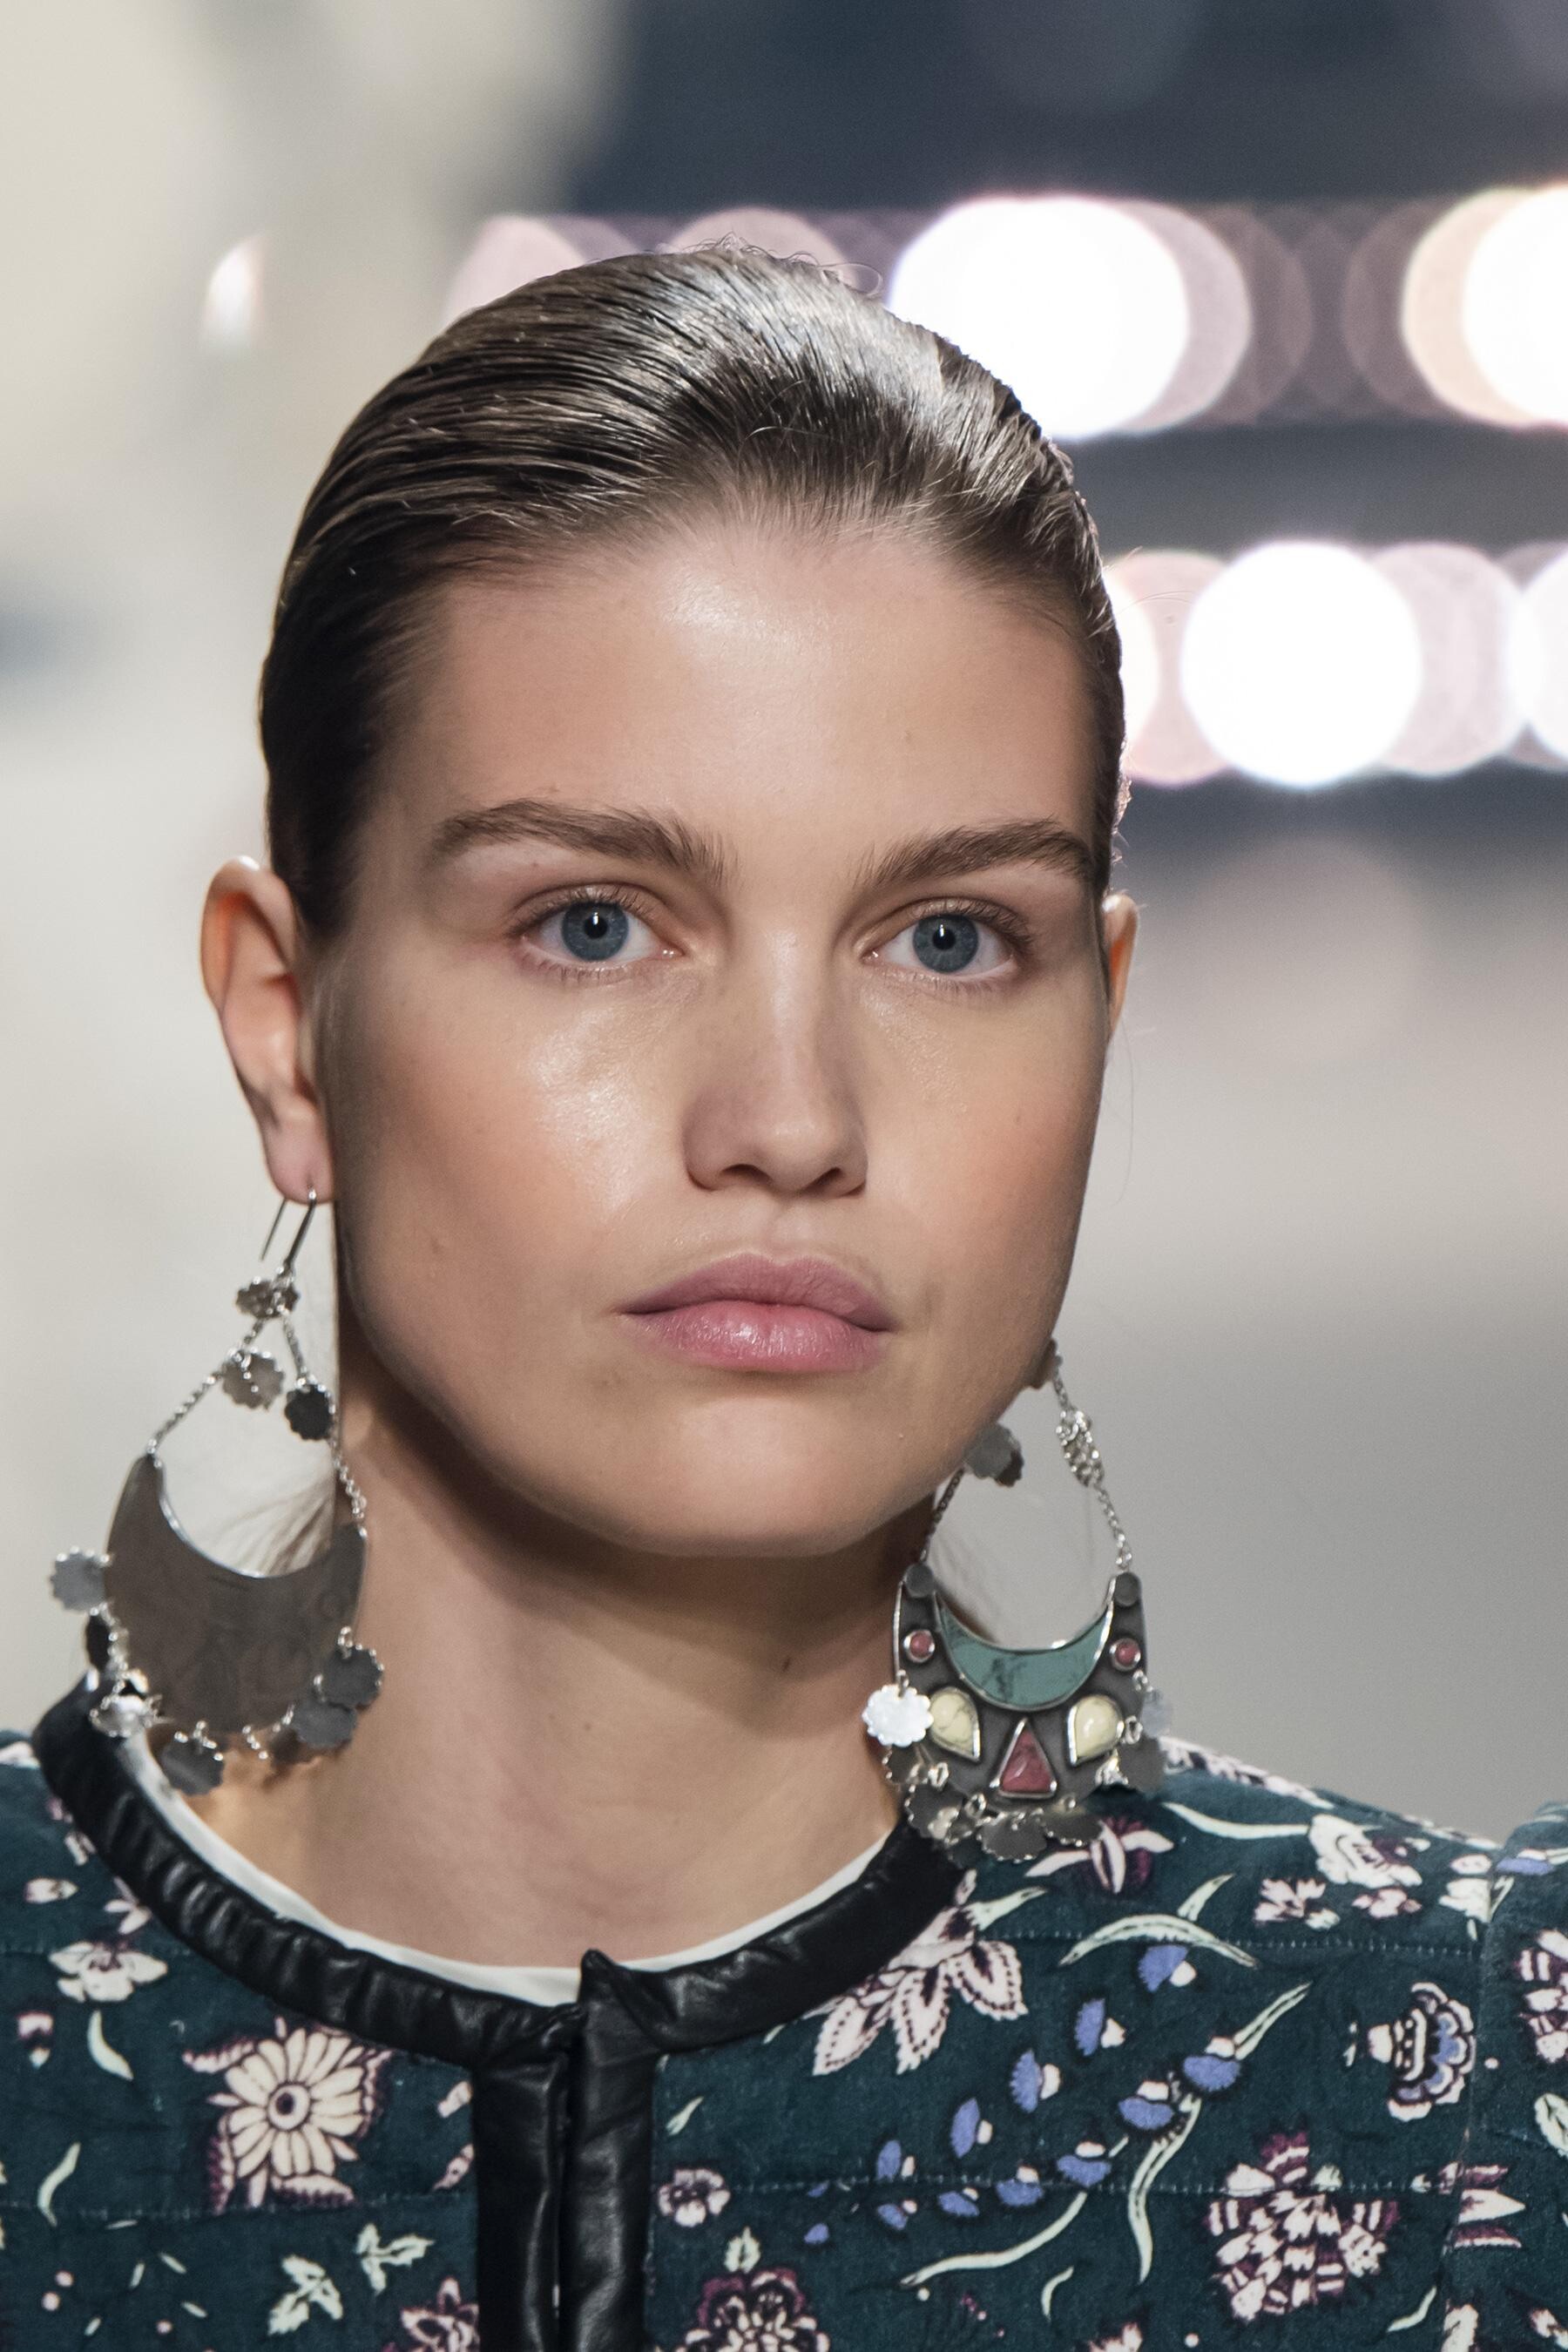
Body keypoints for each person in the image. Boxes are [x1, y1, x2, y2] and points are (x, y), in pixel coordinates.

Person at [2, 247, 1562, 2352]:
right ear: (289, 1026)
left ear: (1095, 1022)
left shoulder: (1467, 2103)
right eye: (591, 924)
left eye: (948, 941)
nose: (791, 1120)